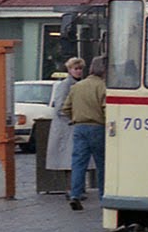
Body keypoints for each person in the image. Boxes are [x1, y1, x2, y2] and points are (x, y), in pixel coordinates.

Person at [62, 55, 107, 211]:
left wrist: (74, 118)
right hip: (98, 127)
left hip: (79, 128)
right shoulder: (102, 86)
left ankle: (75, 194)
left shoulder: (77, 87)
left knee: (78, 163)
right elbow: (106, 108)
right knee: (102, 164)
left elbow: (65, 108)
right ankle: (103, 197)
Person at [45, 57, 84, 179]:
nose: (78, 71)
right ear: (69, 70)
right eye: (76, 69)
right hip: (66, 126)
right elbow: (60, 107)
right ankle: (71, 186)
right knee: (68, 159)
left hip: (74, 125)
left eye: (80, 69)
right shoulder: (65, 85)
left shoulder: (80, 84)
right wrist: (74, 117)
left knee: (75, 159)